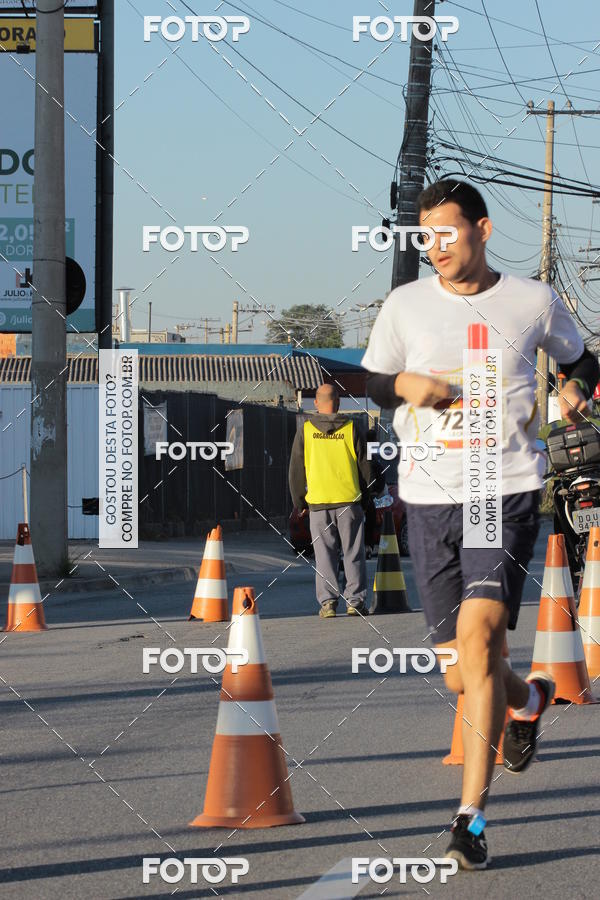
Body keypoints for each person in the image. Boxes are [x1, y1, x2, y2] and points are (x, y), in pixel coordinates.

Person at [361, 178, 599, 870]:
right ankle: (529, 700)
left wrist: (575, 387)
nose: (435, 247)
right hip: (428, 497)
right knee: (463, 676)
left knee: (481, 637)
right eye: (425, 237)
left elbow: (581, 360)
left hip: (504, 488)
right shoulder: (405, 305)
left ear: (483, 230)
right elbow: (372, 382)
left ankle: (470, 819)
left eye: (447, 233)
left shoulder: (531, 300)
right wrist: (403, 386)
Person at [288, 383, 370, 617]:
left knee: (324, 555)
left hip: (319, 503)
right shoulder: (352, 428)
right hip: (349, 501)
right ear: (339, 403)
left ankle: (328, 603)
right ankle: (355, 601)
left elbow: (296, 470)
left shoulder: (306, 431)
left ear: (316, 403)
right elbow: (365, 468)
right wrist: (365, 501)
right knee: (353, 552)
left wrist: (299, 502)